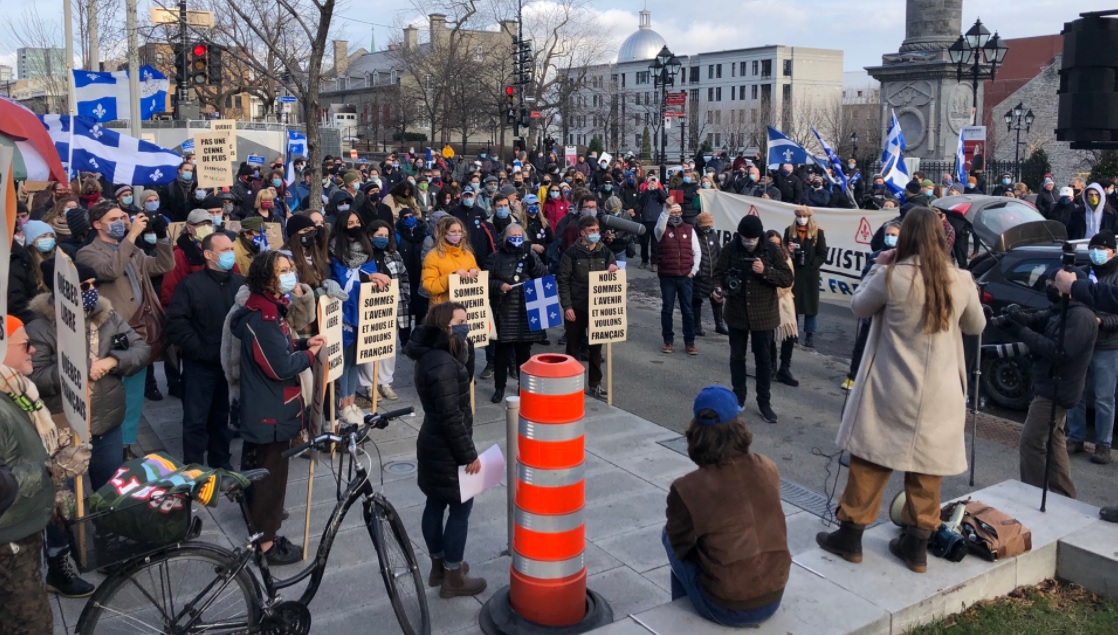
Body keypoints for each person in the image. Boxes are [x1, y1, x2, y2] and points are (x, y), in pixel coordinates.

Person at [816, 207, 985, 573]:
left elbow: (859, 306)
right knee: (927, 467)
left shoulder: (892, 275)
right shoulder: (960, 280)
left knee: (870, 459)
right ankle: (916, 546)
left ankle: (850, 537)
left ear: (904, 236)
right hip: (940, 394)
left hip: (891, 387)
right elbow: (976, 325)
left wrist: (877, 266)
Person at [228, 251, 326, 566]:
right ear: (266, 277)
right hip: (270, 411)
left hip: (266, 407)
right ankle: (266, 545)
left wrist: (302, 344)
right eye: (282, 270)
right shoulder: (264, 317)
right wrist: (309, 356)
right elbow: (279, 366)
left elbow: (279, 348)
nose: (289, 274)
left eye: (289, 268)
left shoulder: (267, 309)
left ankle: (258, 527)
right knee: (270, 479)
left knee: (260, 472)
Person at [665, 385, 790, 627]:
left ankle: (681, 623)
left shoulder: (687, 488)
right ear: (740, 428)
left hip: (727, 606)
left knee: (669, 538)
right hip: (774, 595)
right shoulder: (767, 466)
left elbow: (680, 545)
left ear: (695, 434)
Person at [0, 315, 88, 630]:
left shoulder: (15, 389)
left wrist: (52, 447)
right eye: (25, 345)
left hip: (20, 532)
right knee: (31, 626)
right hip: (8, 542)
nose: (33, 350)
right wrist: (50, 470)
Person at [405, 302, 488, 598]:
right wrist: (468, 455)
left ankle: (439, 566)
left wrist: (466, 348)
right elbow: (451, 415)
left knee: (435, 502)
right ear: (443, 326)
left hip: (433, 441)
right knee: (460, 508)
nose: (466, 326)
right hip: (447, 446)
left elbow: (464, 378)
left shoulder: (435, 355)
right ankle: (453, 576)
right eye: (460, 322)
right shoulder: (442, 364)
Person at [77, 201, 174, 454]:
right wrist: (131, 237)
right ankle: (112, 444)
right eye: (113, 219)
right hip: (113, 331)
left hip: (139, 329)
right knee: (114, 392)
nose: (121, 222)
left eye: (122, 218)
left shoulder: (132, 249)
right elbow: (110, 271)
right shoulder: (88, 253)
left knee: (134, 392)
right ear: (97, 225)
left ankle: (127, 444)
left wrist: (162, 237)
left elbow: (162, 266)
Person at [1004, 274, 1097, 499]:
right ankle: (1063, 494)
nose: (1051, 286)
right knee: (1055, 442)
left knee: (1032, 441)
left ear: (1071, 287)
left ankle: (1033, 494)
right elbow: (1039, 319)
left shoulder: (1080, 316)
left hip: (1057, 389)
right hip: (1050, 385)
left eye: (1056, 282)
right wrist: (1015, 318)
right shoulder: (1063, 309)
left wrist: (1021, 332)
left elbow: (1058, 352)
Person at [165, 232, 243, 469]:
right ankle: (194, 469)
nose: (231, 254)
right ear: (208, 254)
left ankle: (221, 461)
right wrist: (198, 349)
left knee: (223, 417)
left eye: (231, 249)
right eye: (225, 250)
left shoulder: (240, 284)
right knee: (195, 420)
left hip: (229, 366)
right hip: (200, 365)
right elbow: (176, 322)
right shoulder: (190, 285)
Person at [712, 216, 793, 424]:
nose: (748, 242)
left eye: (752, 239)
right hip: (737, 312)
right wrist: (718, 289)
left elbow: (787, 278)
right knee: (737, 357)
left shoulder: (771, 250)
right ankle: (738, 397)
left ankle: (764, 402)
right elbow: (718, 273)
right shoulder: (731, 248)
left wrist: (766, 271)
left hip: (763, 314)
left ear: (759, 237)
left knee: (763, 360)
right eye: (745, 238)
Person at [330, 210, 391, 424]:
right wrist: (369, 276)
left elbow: (368, 273)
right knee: (344, 361)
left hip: (363, 311)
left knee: (356, 360)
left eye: (357, 221)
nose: (355, 225)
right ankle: (342, 404)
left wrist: (375, 278)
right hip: (346, 312)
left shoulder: (366, 250)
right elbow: (344, 282)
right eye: (350, 222)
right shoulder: (335, 250)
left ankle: (351, 401)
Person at [1064, 231, 1118, 464]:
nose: (1097, 253)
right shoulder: (1083, 273)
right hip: (1082, 342)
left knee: (1104, 398)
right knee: (1076, 393)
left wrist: (1102, 322)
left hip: (1108, 346)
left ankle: (1103, 445)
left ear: (1113, 251)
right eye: (1093, 248)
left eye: (1102, 249)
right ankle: (1075, 437)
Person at [487, 224, 549, 403]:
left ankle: (523, 387)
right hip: (504, 311)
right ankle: (499, 387)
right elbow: (486, 281)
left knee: (524, 353)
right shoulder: (495, 257)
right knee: (501, 353)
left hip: (526, 311)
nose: (516, 238)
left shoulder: (531, 255)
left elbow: (544, 276)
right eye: (512, 235)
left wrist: (533, 263)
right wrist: (499, 285)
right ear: (506, 237)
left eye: (519, 235)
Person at [558, 216, 618, 398]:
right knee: (573, 348)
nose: (595, 234)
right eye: (591, 231)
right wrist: (567, 306)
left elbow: (614, 271)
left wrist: (614, 269)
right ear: (582, 233)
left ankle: (595, 384)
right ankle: (569, 384)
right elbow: (563, 281)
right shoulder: (571, 254)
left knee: (596, 350)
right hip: (576, 307)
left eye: (597, 230)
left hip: (597, 308)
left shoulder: (605, 251)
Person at [842, 222, 901, 390]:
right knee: (862, 345)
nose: (890, 238)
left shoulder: (904, 259)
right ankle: (853, 376)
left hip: (891, 311)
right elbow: (865, 278)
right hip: (873, 308)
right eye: (888, 234)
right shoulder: (876, 256)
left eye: (894, 235)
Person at [359, 221, 410, 402]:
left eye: (386, 236)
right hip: (369, 310)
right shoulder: (362, 256)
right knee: (368, 348)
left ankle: (385, 383)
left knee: (388, 347)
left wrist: (404, 296)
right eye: (379, 235)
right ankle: (369, 385)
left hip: (391, 309)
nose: (383, 239)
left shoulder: (394, 255)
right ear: (370, 236)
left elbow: (404, 277)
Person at [655, 203, 701, 355]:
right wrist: (666, 209)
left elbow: (697, 251)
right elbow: (660, 226)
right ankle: (668, 341)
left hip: (685, 276)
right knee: (667, 309)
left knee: (687, 310)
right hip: (667, 276)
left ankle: (690, 342)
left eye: (678, 212)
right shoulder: (661, 230)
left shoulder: (689, 229)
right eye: (672, 213)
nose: (675, 215)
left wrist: (693, 271)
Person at [784, 207, 826, 349]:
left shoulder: (817, 232)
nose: (802, 219)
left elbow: (822, 253)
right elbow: (782, 250)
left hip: (810, 275)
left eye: (804, 216)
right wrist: (789, 251)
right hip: (794, 272)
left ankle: (809, 335)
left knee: (810, 305)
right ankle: (793, 332)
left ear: (809, 217)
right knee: (793, 303)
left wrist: (813, 264)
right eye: (800, 216)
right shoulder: (789, 231)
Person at [764, 230, 800, 388]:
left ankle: (784, 368)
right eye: (773, 244)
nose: (776, 247)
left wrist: (775, 292)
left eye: (778, 244)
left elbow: (789, 281)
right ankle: (771, 366)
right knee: (769, 334)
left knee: (788, 335)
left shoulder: (786, 259)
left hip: (785, 301)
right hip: (768, 302)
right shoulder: (763, 259)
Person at [422, 215, 480, 305]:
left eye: (459, 231)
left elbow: (478, 277)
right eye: (453, 231)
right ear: (444, 233)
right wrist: (451, 278)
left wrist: (475, 271)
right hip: (443, 307)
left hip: (466, 306)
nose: (457, 234)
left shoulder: (467, 254)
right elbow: (429, 286)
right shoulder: (433, 256)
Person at [691, 213, 725, 337]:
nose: (707, 228)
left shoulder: (713, 235)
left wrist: (720, 269)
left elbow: (719, 251)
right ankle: (697, 326)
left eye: (709, 225)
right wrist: (696, 271)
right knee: (697, 300)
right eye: (704, 226)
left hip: (713, 274)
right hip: (699, 275)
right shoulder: (693, 235)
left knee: (717, 299)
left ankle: (719, 324)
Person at [637, 176, 668, 269]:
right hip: (645, 220)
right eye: (651, 182)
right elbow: (641, 202)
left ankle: (654, 262)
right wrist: (647, 190)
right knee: (644, 243)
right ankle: (644, 260)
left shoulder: (660, 191)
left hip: (656, 220)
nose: (652, 184)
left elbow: (665, 199)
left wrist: (657, 188)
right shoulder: (644, 192)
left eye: (654, 182)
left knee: (655, 243)